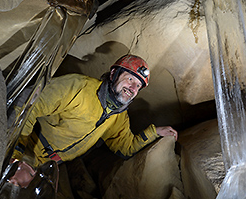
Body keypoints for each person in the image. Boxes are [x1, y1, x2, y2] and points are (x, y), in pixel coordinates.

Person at [10, 54, 178, 187]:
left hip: (48, 165)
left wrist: (154, 132)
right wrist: (15, 156)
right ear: (114, 74)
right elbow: (28, 103)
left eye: (138, 86)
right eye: (130, 79)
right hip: (25, 148)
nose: (133, 88)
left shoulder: (118, 116)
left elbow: (125, 148)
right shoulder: (79, 87)